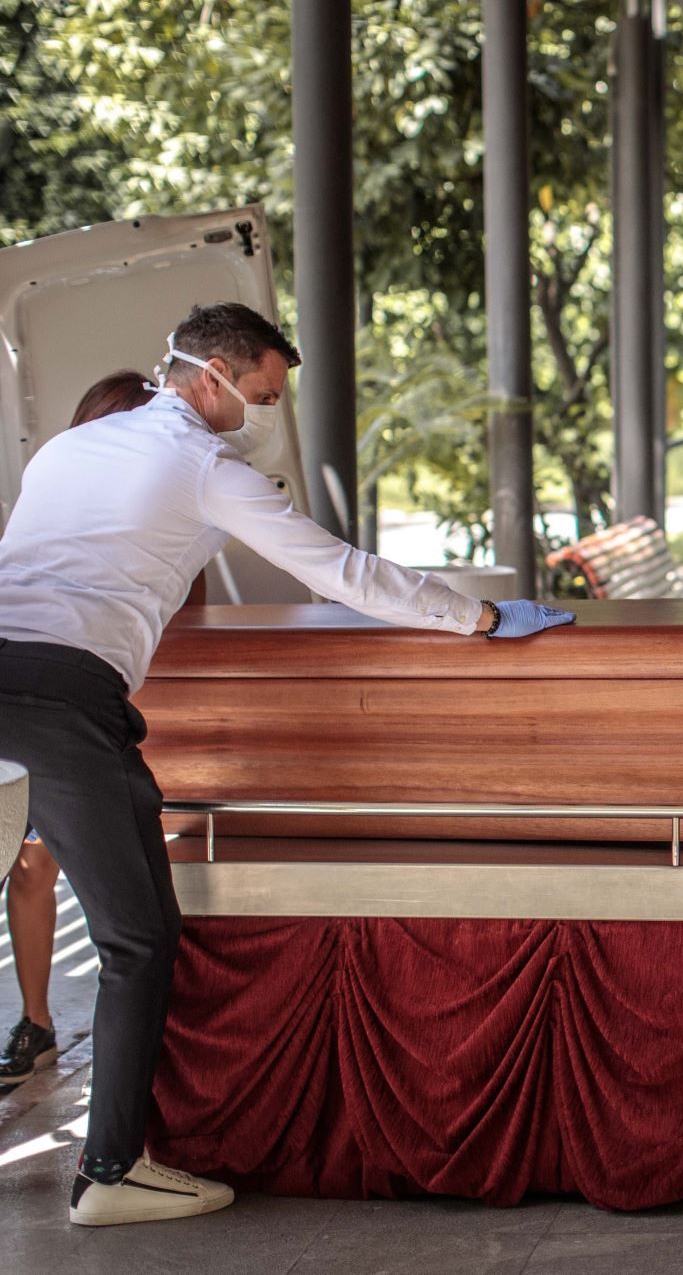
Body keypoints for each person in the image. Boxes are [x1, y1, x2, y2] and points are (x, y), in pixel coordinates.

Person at [0, 303, 573, 1227]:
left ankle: (115, 1160)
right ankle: (110, 1172)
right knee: (139, 940)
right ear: (214, 374)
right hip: (63, 703)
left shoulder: (69, 451)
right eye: (262, 394)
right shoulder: (205, 467)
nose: (262, 412)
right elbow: (337, 571)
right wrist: (477, 616)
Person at [1, 371, 210, 1093]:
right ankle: (36, 1023)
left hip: (81, 714)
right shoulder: (66, 489)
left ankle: (42, 1032)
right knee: (41, 875)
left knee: (101, 907)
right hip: (60, 712)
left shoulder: (154, 502)